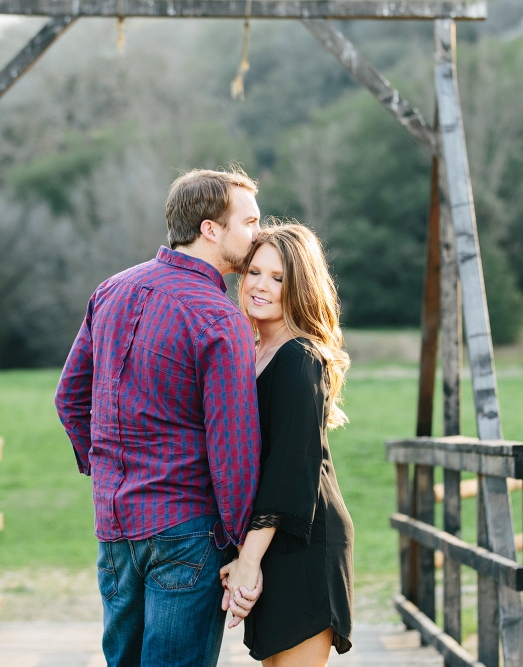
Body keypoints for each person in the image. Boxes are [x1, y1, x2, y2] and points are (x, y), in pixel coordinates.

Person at [55, 167, 264, 667]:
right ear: (211, 229)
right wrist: (241, 549)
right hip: (186, 532)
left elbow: (69, 397)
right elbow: (232, 451)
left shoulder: (110, 290)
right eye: (250, 222)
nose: (259, 234)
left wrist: (106, 471)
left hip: (114, 527)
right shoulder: (218, 317)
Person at [220, 223, 355, 666]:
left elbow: (290, 468)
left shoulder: (301, 358)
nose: (260, 286)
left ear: (299, 288)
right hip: (270, 542)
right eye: (254, 272)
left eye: (278, 278)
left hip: (305, 541)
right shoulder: (254, 351)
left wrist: (247, 561)